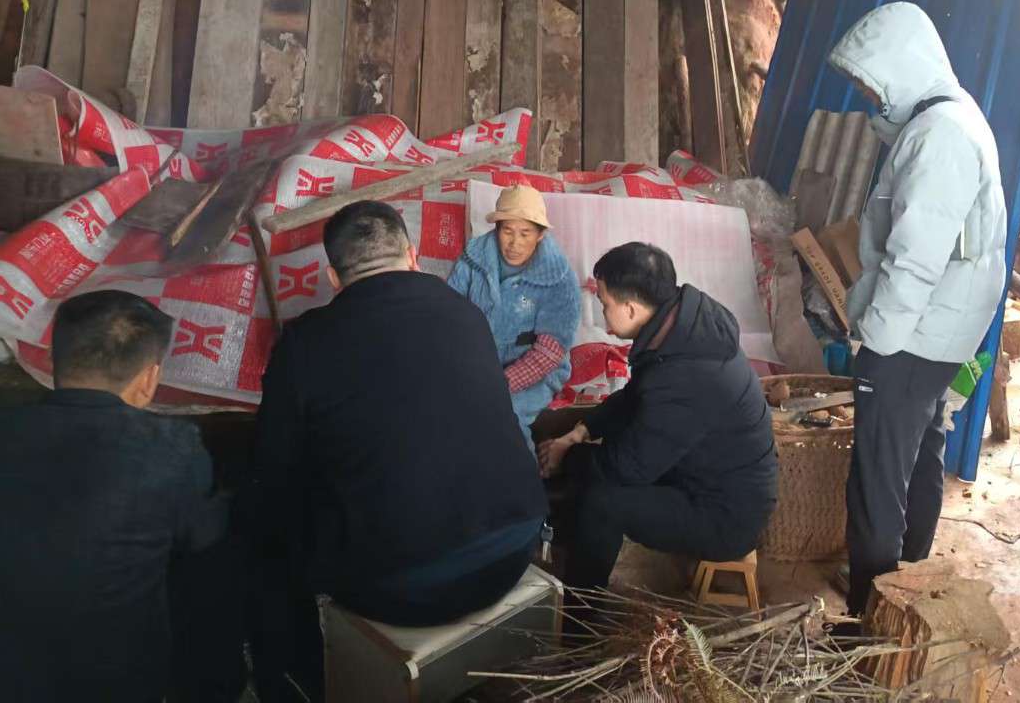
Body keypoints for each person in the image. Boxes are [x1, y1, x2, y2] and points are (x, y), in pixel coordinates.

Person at [253, 200, 547, 697]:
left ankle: (298, 685)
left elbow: (273, 470)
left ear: (333, 277)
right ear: (412, 256)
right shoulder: (465, 312)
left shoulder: (303, 345)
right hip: (515, 545)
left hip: (403, 589)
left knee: (265, 533)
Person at [826, 1, 1007, 618]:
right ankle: (907, 584)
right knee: (921, 450)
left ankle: (866, 619)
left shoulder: (938, 135)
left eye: (869, 82)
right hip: (940, 331)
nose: (865, 95)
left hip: (912, 335)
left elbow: (914, 260)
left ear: (900, 66)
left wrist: (875, 342)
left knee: (876, 480)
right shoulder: (952, 117)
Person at [0, 290, 242, 702]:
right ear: (149, 378)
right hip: (117, 680)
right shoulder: (173, 448)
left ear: (54, 361)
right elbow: (205, 559)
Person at [538, 242, 778, 591]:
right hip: (704, 475)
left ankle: (580, 612)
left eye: (604, 305)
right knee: (600, 456)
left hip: (726, 515)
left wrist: (567, 456)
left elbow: (628, 468)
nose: (603, 315)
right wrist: (580, 431)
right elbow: (635, 396)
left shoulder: (687, 375)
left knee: (602, 502)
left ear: (631, 309)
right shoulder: (683, 330)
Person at [448, 184, 580, 446]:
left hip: (535, 375)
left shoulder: (560, 277)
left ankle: (525, 471)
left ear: (540, 235)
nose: (515, 243)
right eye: (507, 231)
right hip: (477, 365)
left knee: (504, 416)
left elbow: (549, 352)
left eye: (525, 233)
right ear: (497, 229)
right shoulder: (472, 260)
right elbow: (450, 315)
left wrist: (499, 385)